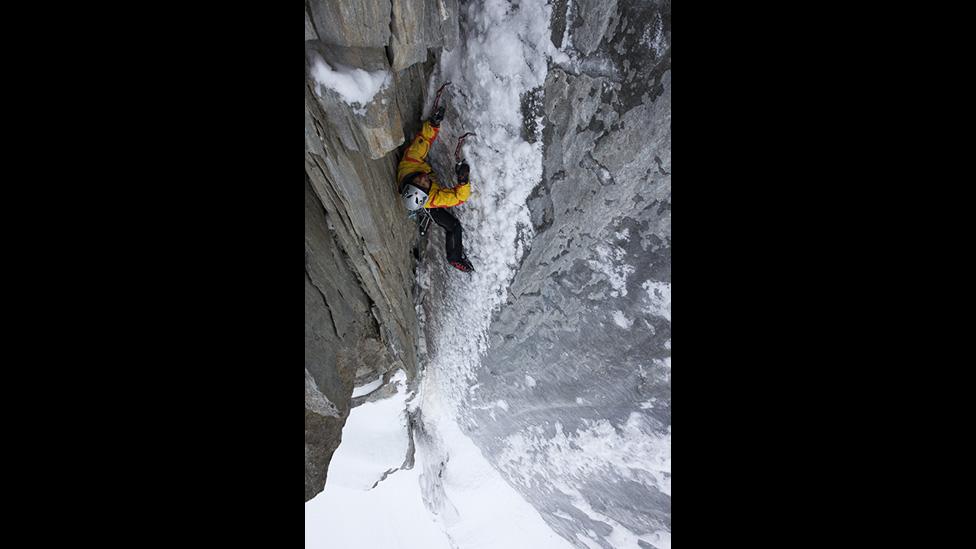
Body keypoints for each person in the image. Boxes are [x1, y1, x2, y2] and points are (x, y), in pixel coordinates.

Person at [397, 105, 475, 273]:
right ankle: (454, 258)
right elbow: (457, 198)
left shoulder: (409, 163)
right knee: (453, 225)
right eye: (424, 185)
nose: (423, 179)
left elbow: (423, 140)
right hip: (424, 205)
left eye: (418, 180)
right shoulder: (431, 199)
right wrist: (463, 182)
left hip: (418, 191)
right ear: (426, 193)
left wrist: (433, 123)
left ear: (411, 179)